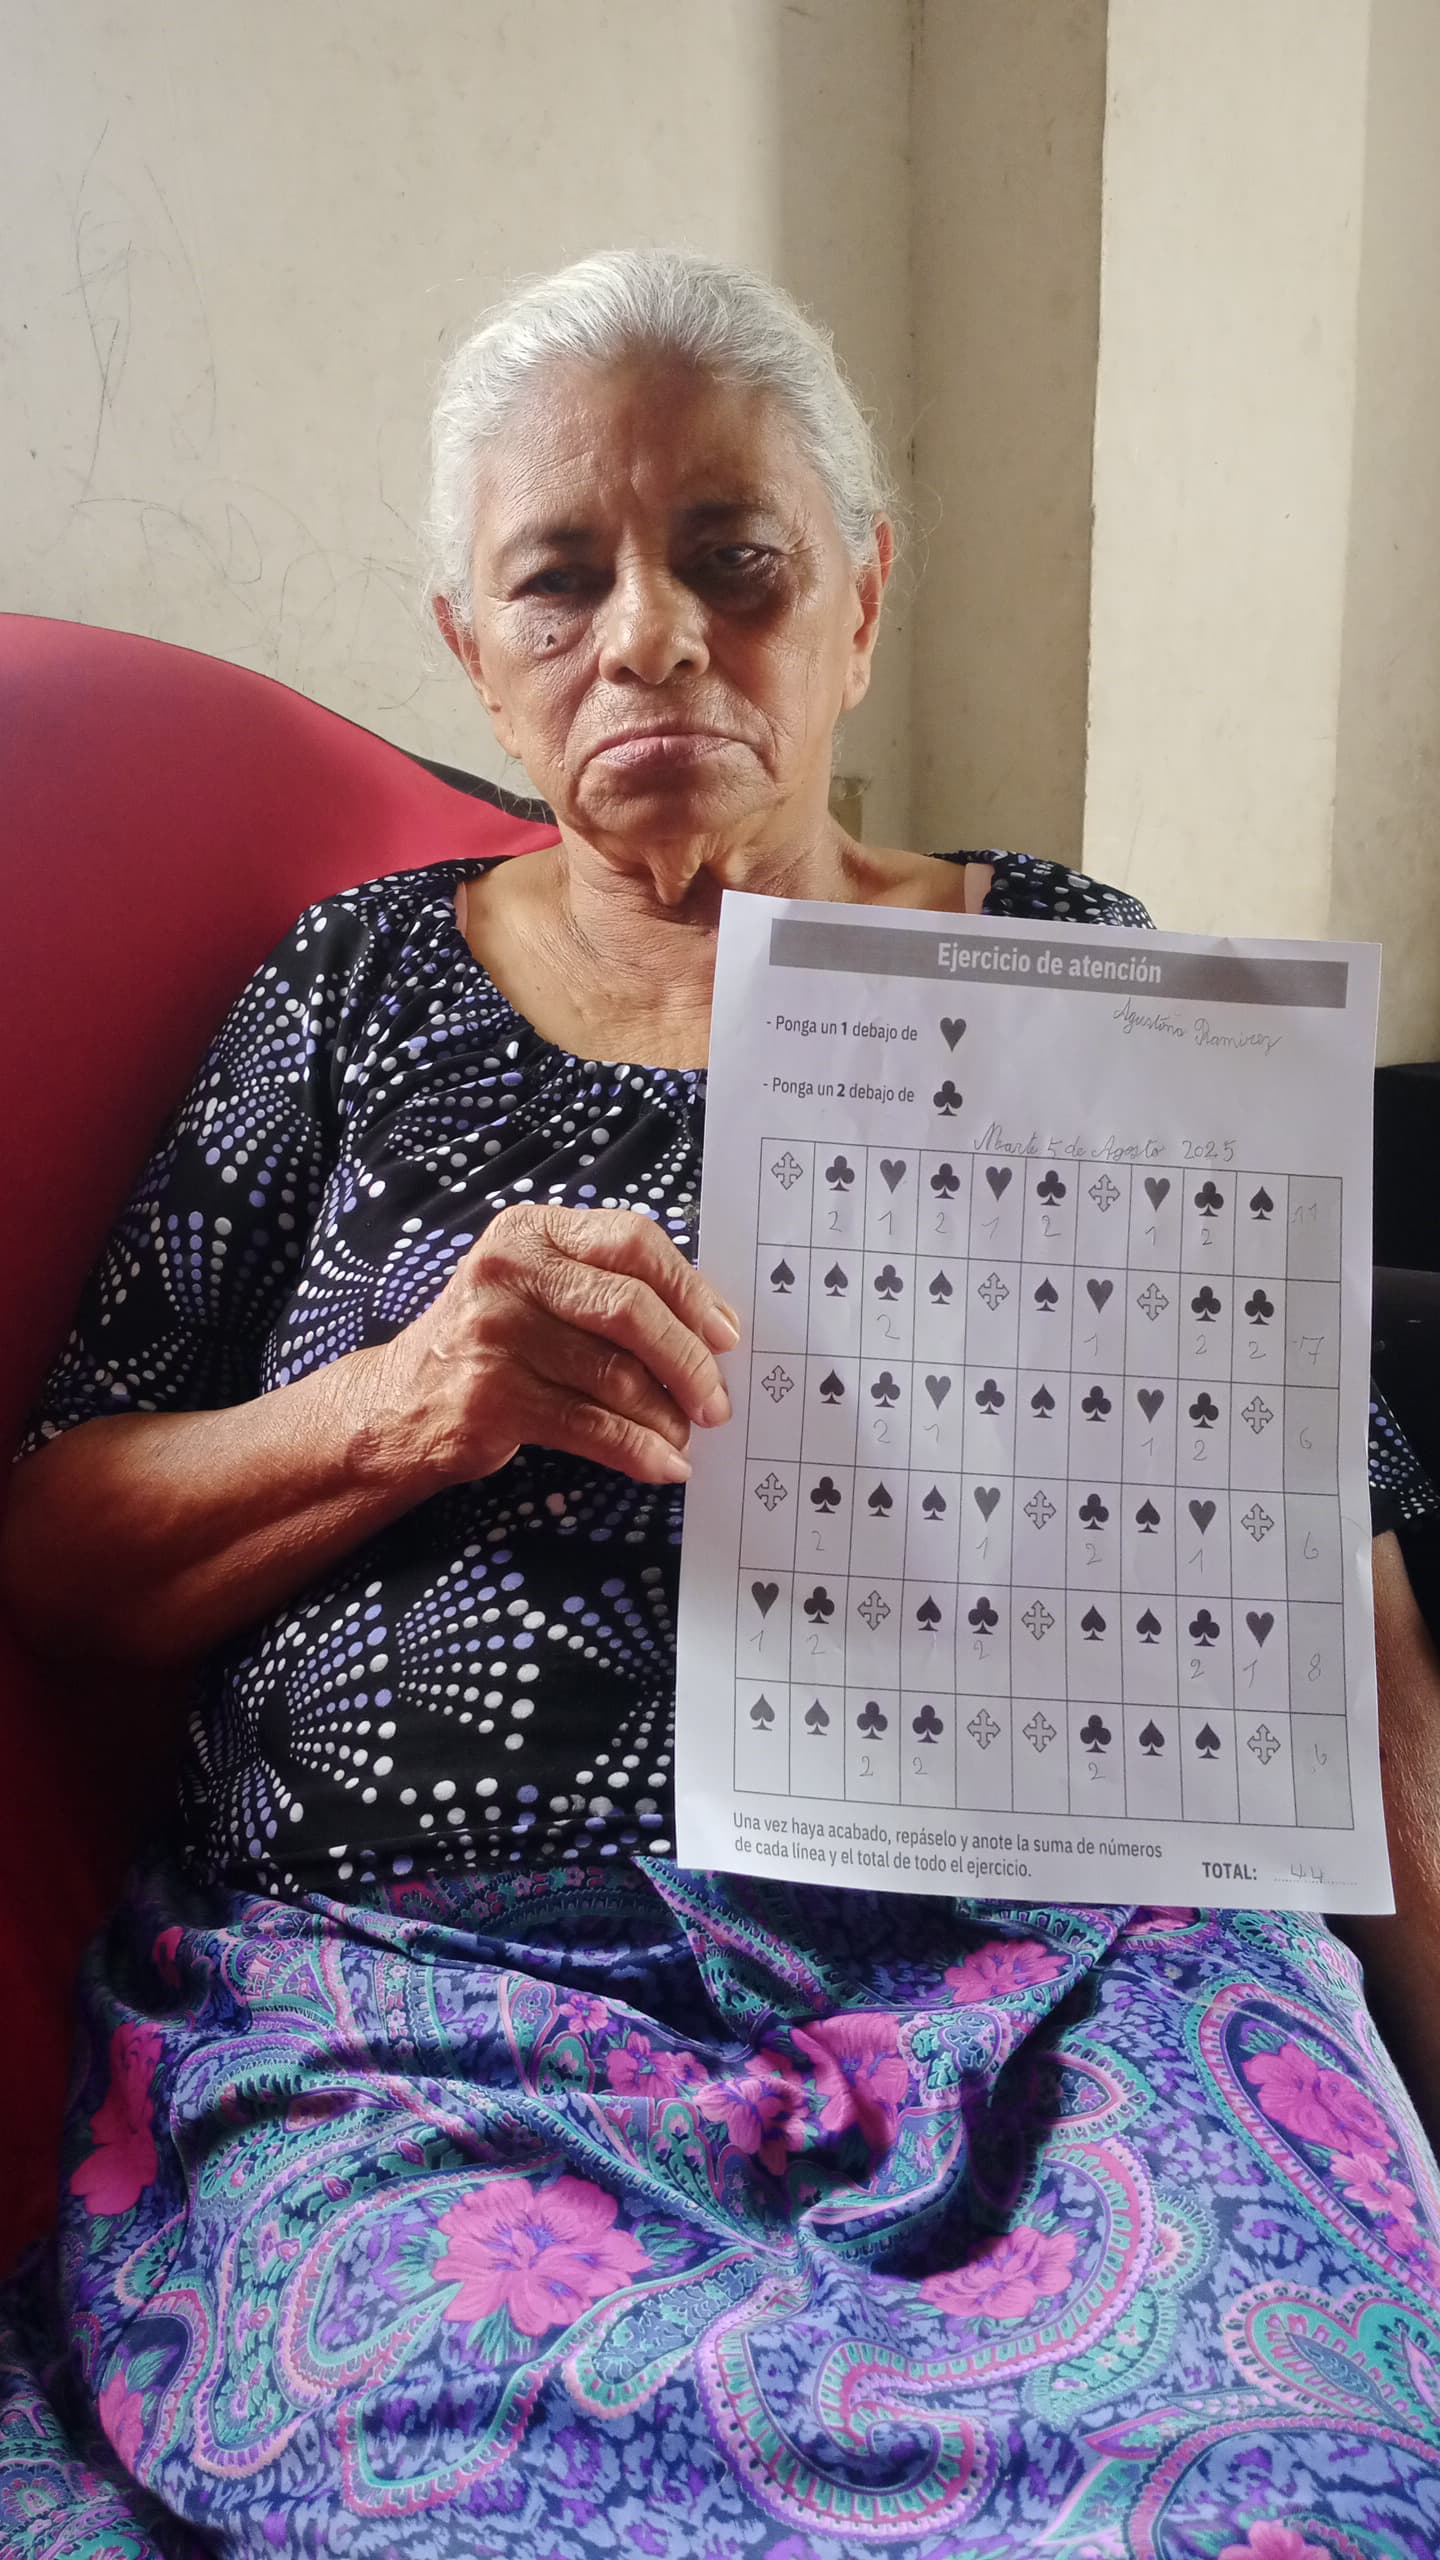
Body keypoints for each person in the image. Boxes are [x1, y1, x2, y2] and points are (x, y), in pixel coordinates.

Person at [2, 249, 1439, 2560]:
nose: (651, 636)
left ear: (859, 602)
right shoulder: (350, 990)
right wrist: (403, 1403)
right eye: (560, 579)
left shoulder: (1090, 979)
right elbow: (59, 1542)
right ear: (472, 648)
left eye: (732, 560)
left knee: (1309, 2481)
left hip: (1066, 1984)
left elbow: (1347, 1656)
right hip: (428, 1994)